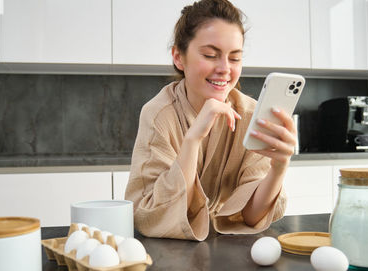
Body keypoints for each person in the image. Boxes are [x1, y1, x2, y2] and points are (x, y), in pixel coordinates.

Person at [125, 0, 297, 241]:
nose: (225, 69)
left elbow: (251, 216)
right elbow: (149, 215)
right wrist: (193, 139)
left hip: (229, 251)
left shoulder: (251, 115)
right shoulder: (158, 114)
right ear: (178, 57)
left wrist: (279, 168)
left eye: (235, 58)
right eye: (210, 55)